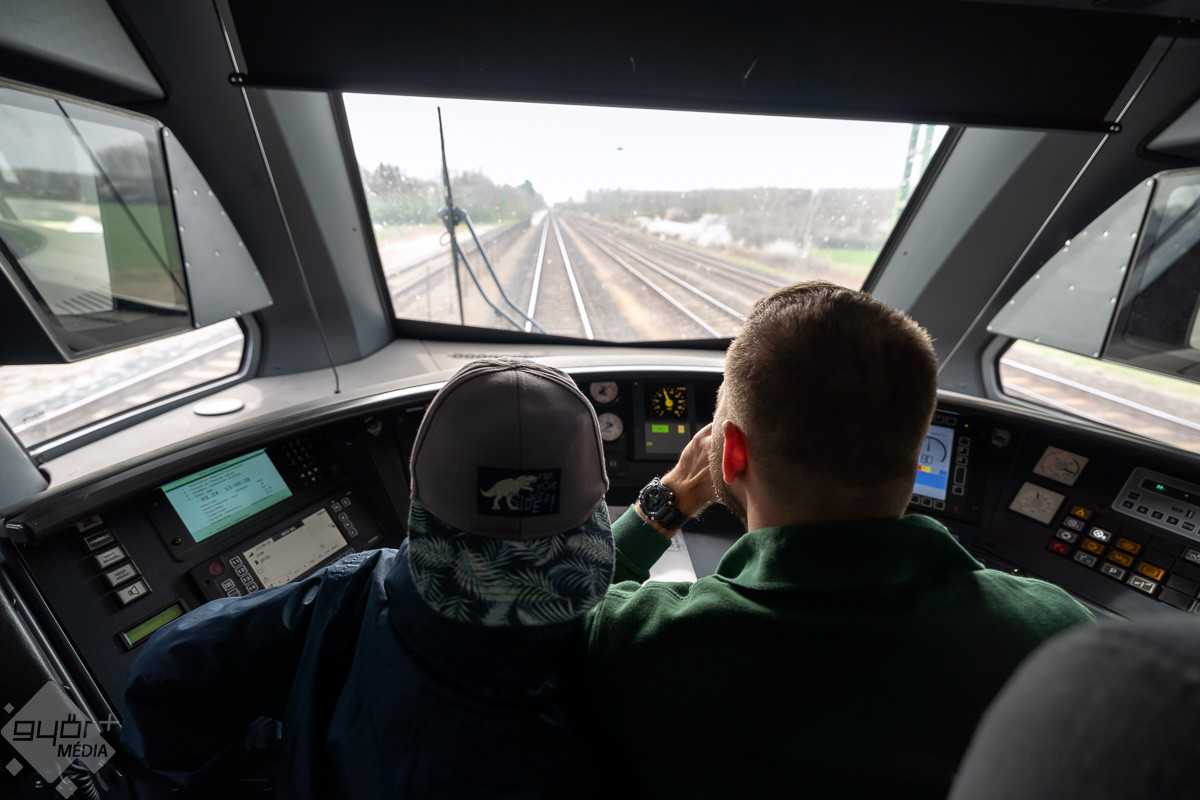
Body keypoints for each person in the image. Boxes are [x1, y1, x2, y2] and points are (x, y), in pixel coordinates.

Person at [582, 281, 1094, 799]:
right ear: (917, 452)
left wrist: (665, 501)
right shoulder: (1057, 636)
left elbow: (564, 608)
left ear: (731, 451)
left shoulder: (645, 642)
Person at [122, 358, 616, 798]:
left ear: (419, 502)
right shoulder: (625, 646)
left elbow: (169, 669)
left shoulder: (347, 599)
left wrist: (289, 743)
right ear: (591, 523)